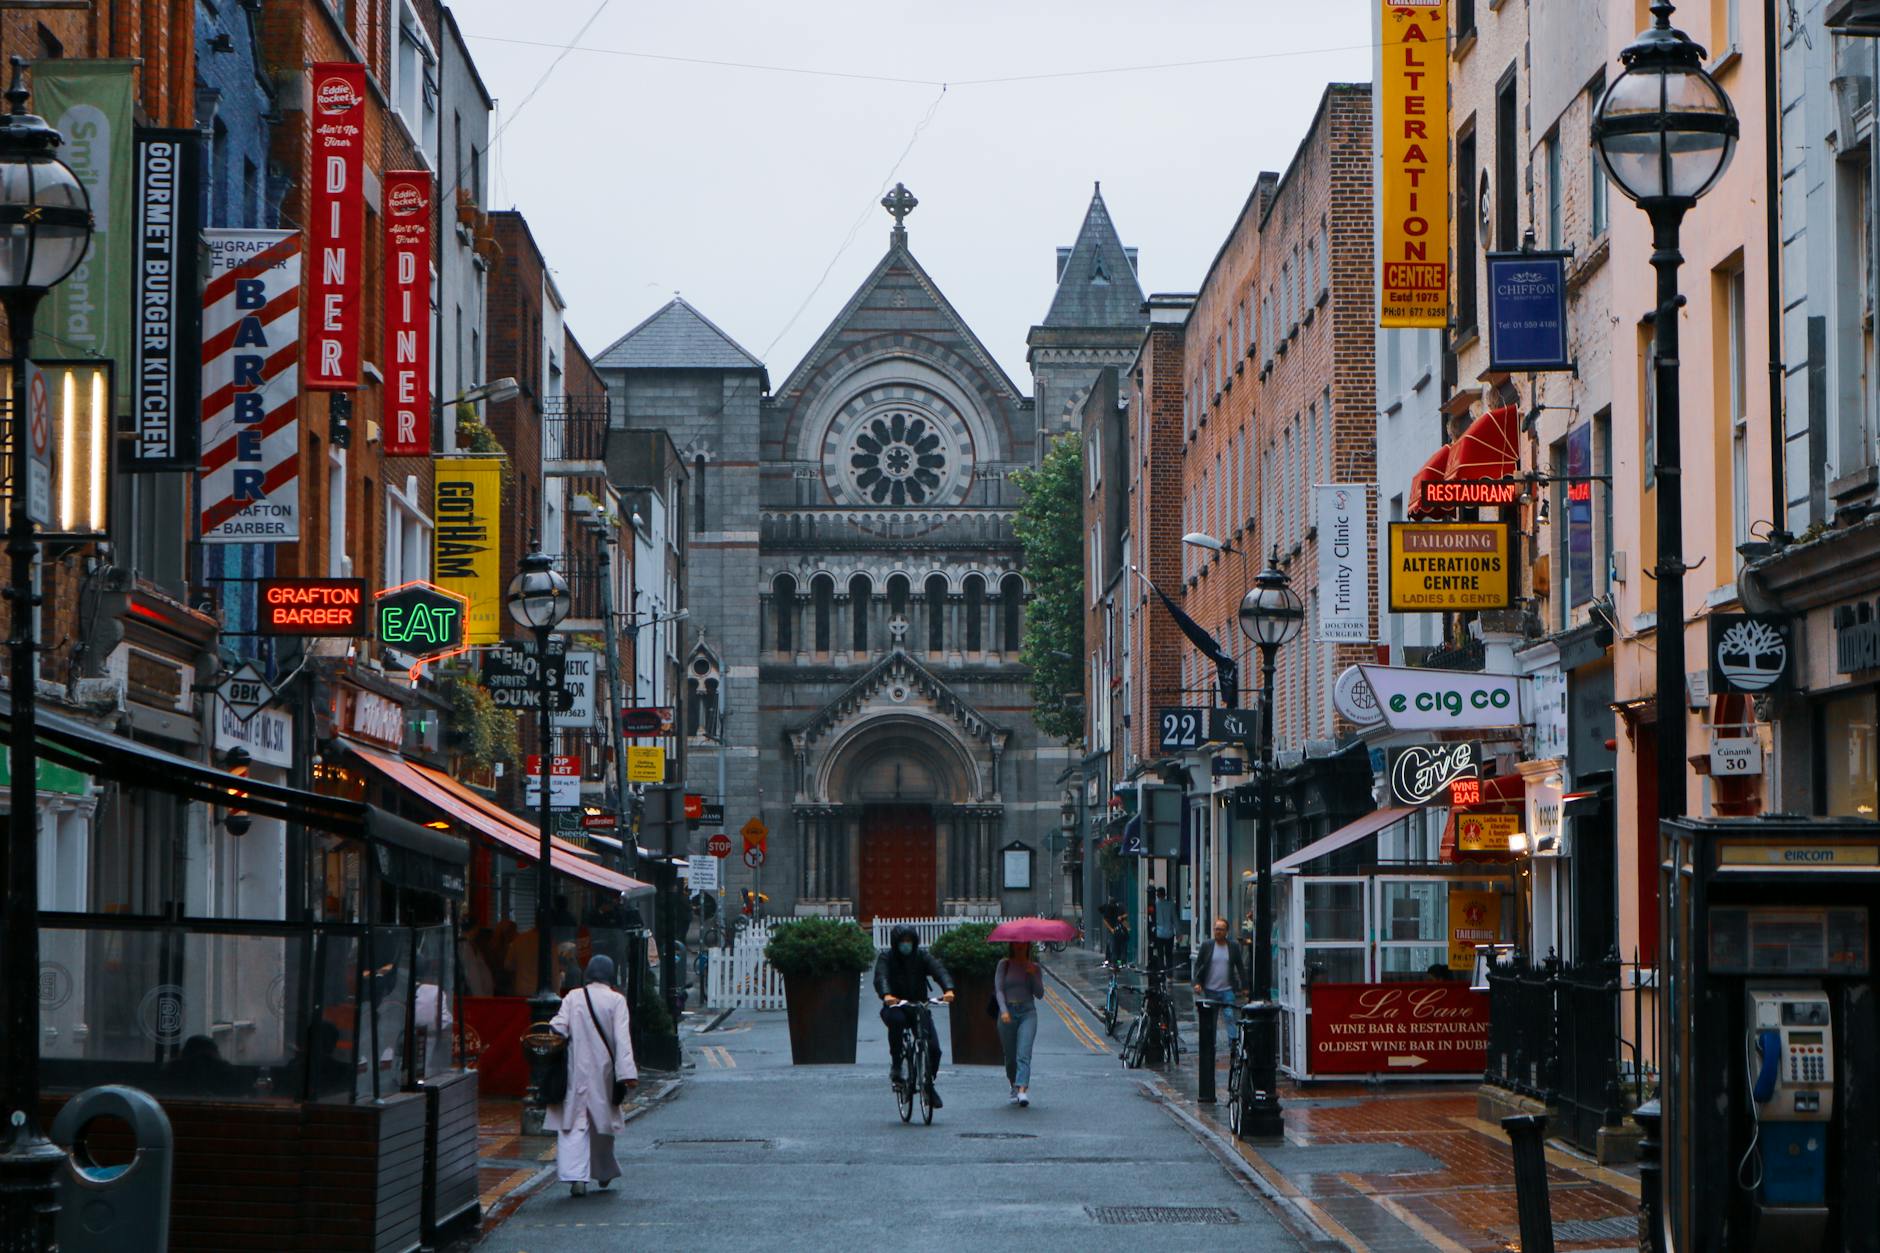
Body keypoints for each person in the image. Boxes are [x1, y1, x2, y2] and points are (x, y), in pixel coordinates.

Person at [547, 955, 638, 1197]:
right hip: (604, 1072)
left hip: (575, 1069)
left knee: (574, 1122)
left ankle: (576, 1175)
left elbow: (557, 1027)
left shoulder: (573, 997)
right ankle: (604, 1171)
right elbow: (622, 1040)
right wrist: (628, 1073)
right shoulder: (616, 1000)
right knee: (602, 1123)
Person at [872, 924, 955, 1108]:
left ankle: (928, 1084)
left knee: (933, 1048)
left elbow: (938, 970)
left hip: (918, 1006)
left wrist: (948, 989)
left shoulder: (921, 957)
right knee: (897, 1021)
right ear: (896, 943)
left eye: (909, 941)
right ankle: (896, 1065)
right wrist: (887, 995)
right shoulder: (887, 958)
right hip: (896, 1005)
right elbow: (881, 977)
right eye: (902, 941)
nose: (906, 945)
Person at [995, 942, 1045, 1107]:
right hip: (1007, 1012)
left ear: (1028, 945)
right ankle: (1013, 1085)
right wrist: (1003, 1010)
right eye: (1016, 943)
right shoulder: (1005, 964)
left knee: (1023, 1053)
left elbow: (1040, 994)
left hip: (1027, 1013)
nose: (1020, 946)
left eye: (1023, 943)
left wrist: (1032, 974)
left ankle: (1022, 1090)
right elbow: (999, 990)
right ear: (1012, 945)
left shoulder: (1034, 967)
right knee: (1010, 1058)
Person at [1191, 917, 1250, 1056]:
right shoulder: (1207, 945)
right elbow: (1198, 965)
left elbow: (1240, 967)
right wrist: (1197, 983)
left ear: (1226, 932)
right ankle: (1210, 1047)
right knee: (1211, 1020)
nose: (1217, 932)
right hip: (1210, 990)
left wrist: (1245, 986)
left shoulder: (1233, 947)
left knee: (1229, 1016)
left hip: (1227, 989)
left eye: (1221, 929)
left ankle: (1233, 1045)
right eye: (1216, 929)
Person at [1151, 886, 1178, 973]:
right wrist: (1178, 932)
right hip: (1169, 933)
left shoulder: (1155, 905)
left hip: (1159, 933)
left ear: (1157, 895)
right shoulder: (1170, 905)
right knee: (1169, 954)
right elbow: (1175, 919)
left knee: (1160, 954)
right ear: (1165, 894)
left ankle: (1161, 970)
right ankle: (1169, 973)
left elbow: (1152, 919)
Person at [1098, 897, 1129, 967]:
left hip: (1121, 930)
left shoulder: (1120, 906)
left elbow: (1126, 915)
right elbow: (1105, 920)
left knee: (1121, 946)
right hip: (1114, 930)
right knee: (1114, 946)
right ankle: (1115, 962)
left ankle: (1120, 962)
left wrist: (1121, 918)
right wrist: (1111, 929)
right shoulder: (1109, 908)